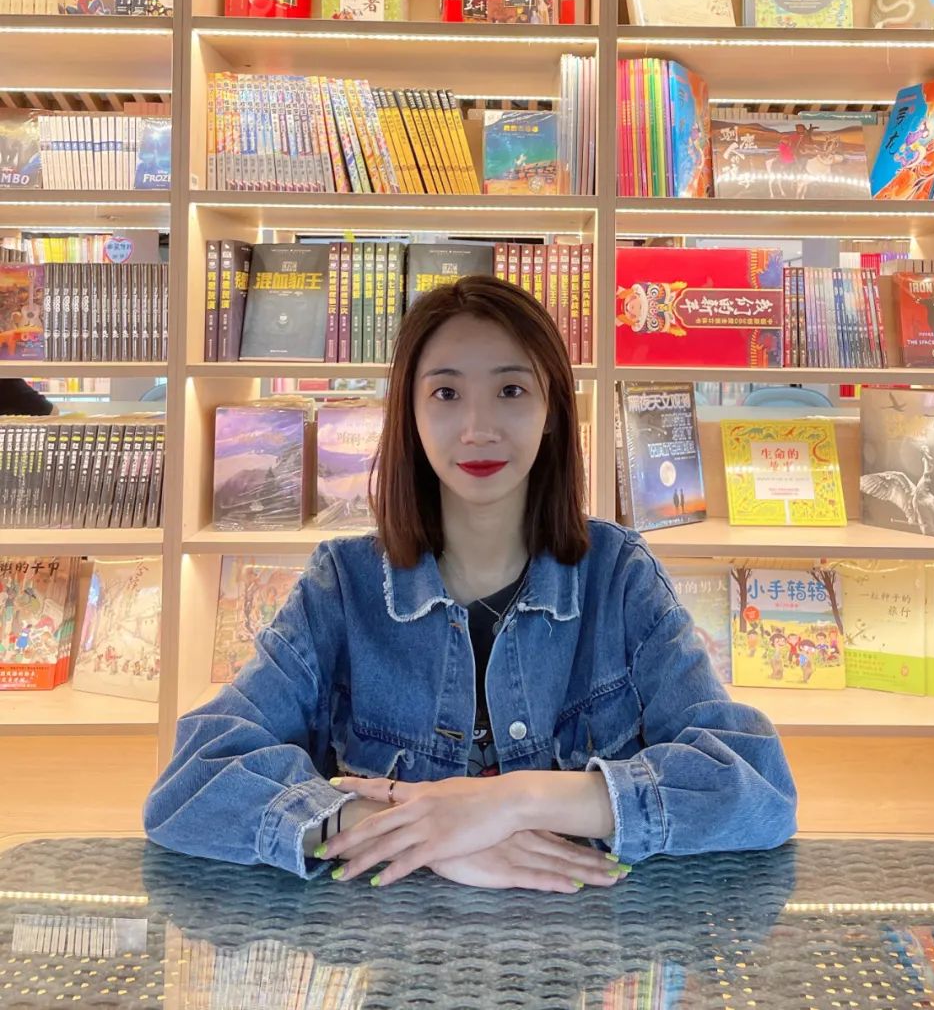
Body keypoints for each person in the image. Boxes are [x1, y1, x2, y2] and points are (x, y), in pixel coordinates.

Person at [143, 276, 796, 892]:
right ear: (409, 412)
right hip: (390, 945)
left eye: (511, 390)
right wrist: (419, 829)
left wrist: (512, 802)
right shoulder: (342, 586)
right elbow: (192, 781)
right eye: (446, 394)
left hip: (592, 942)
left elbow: (755, 785)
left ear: (552, 410)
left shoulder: (618, 576)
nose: (478, 428)